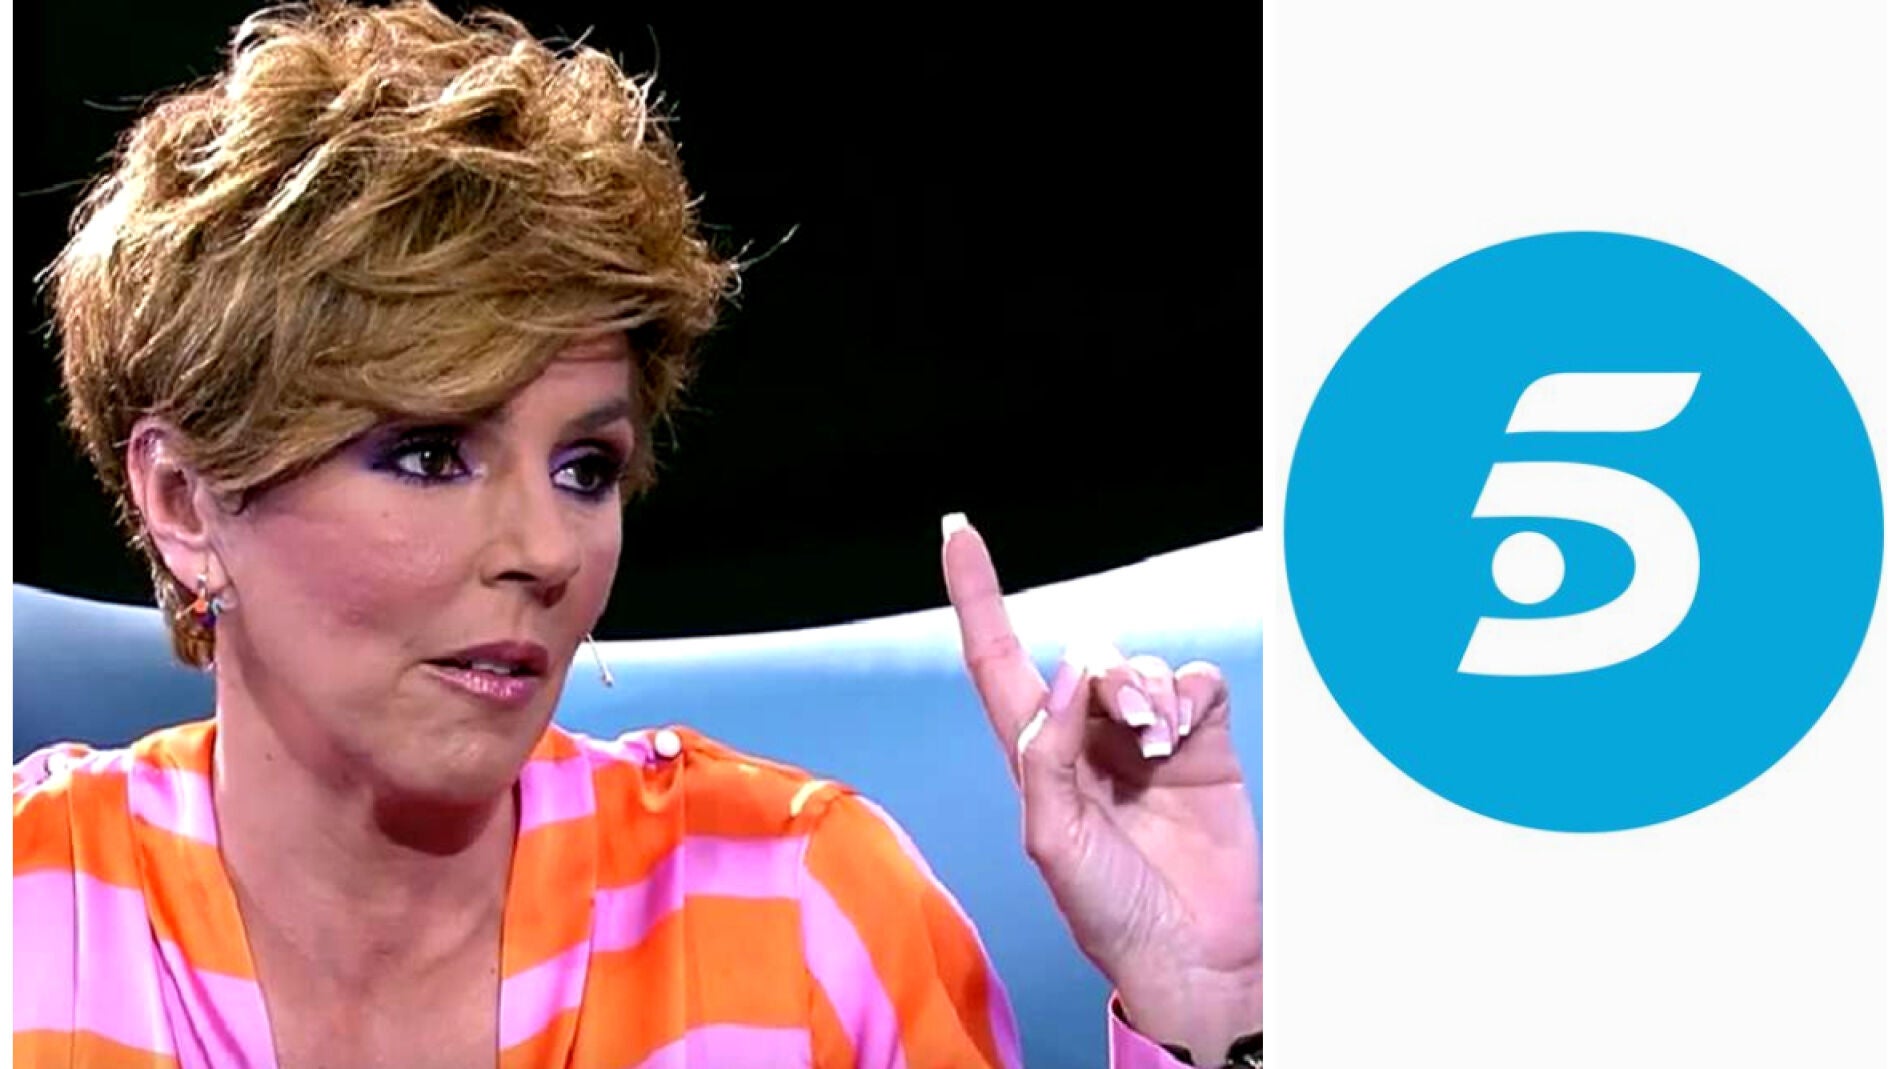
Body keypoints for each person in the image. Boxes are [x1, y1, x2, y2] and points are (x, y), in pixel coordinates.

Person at [11, 2, 1265, 1066]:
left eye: (584, 468)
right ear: (184, 502)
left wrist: (1211, 1011)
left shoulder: (805, 910)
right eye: (432, 453)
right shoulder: (29, 914)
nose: (548, 550)